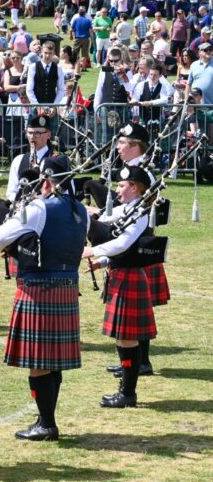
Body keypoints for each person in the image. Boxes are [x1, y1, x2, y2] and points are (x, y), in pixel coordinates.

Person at [0, 154, 87, 440]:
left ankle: (46, 423)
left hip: (39, 289)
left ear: (46, 180)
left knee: (39, 362)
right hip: (68, 286)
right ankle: (47, 419)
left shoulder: (39, 209)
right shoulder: (80, 210)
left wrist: (18, 242)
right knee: (52, 360)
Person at [82, 165, 157, 408]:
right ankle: (126, 390)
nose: (117, 189)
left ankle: (127, 393)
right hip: (121, 275)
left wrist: (93, 250)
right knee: (123, 339)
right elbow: (107, 223)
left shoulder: (141, 214)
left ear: (135, 188)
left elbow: (124, 244)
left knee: (127, 340)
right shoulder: (130, 209)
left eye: (122, 186)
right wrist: (102, 261)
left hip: (130, 278)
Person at [0, 114, 55, 226]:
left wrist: (38, 200)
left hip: (46, 212)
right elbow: (11, 192)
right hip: (21, 210)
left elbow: (61, 194)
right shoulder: (19, 160)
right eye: (30, 133)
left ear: (48, 135)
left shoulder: (56, 161)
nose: (32, 137)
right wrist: (21, 202)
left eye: (37, 133)